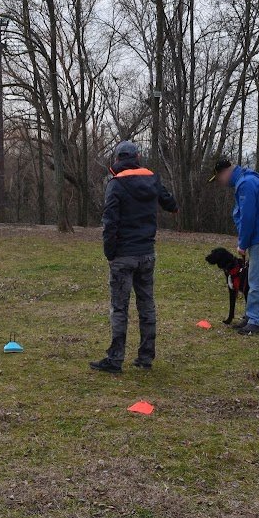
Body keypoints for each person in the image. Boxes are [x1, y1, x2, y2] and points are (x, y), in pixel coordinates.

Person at [90, 141, 178, 374]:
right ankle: (146, 357)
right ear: (137, 157)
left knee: (119, 308)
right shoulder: (152, 179)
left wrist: (110, 253)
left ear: (117, 159)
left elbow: (110, 222)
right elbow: (172, 205)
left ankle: (115, 359)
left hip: (123, 255)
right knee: (146, 305)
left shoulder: (115, 184)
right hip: (146, 253)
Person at [209, 159, 259, 335]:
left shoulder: (246, 184)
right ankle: (250, 315)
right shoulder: (246, 181)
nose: (221, 182)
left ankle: (256, 321)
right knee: (253, 279)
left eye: (219, 178)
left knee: (256, 280)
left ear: (225, 172)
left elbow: (248, 217)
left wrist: (243, 243)